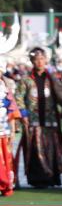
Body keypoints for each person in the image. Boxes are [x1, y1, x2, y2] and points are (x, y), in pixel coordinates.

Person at [15, 47, 62, 188]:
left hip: (50, 120)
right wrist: (23, 113)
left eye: (42, 59)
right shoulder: (25, 80)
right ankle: (37, 179)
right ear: (31, 61)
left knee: (51, 150)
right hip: (33, 121)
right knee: (35, 150)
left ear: (46, 60)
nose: (39, 62)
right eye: (36, 59)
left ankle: (52, 178)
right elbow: (18, 98)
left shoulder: (52, 79)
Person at [0, 17, 22, 196]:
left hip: (4, 128)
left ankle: (6, 184)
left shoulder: (6, 86)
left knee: (6, 158)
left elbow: (12, 109)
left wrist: (13, 129)